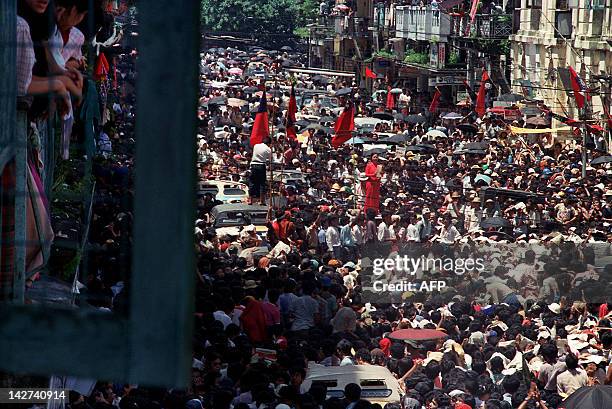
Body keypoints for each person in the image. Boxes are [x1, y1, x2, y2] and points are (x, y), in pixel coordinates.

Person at [249, 137, 271, 204]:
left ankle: (250, 200)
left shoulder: (256, 145)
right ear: (268, 143)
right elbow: (270, 159)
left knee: (252, 182)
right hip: (261, 165)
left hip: (253, 165)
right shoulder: (268, 149)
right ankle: (262, 201)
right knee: (262, 183)